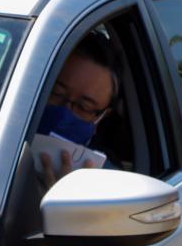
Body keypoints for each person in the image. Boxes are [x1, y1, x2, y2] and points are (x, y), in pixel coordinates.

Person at [37, 32, 120, 189]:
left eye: (84, 107)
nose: (64, 113)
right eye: (56, 93)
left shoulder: (106, 187)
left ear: (101, 118)